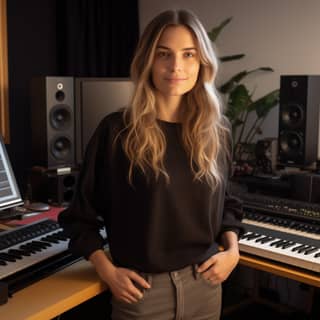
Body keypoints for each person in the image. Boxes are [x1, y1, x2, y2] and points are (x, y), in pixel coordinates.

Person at [58, 9, 244, 320]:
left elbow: (228, 203)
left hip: (206, 286)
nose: (176, 67)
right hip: (142, 294)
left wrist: (233, 253)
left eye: (189, 55)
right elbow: (80, 217)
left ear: (202, 63)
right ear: (148, 61)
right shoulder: (116, 131)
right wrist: (107, 270)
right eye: (164, 54)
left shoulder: (218, 130)